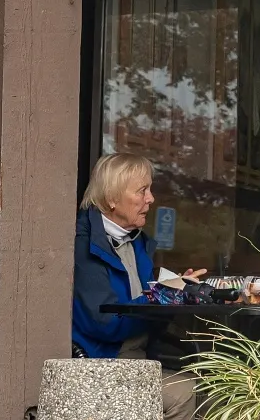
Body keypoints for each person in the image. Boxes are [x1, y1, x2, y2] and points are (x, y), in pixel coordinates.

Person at [72, 153, 206, 420]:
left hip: (143, 355)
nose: (151, 199)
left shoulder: (136, 242)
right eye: (142, 190)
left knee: (213, 382)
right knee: (187, 392)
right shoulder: (84, 246)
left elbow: (145, 305)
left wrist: (175, 291)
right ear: (112, 199)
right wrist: (163, 295)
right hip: (102, 362)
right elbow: (105, 323)